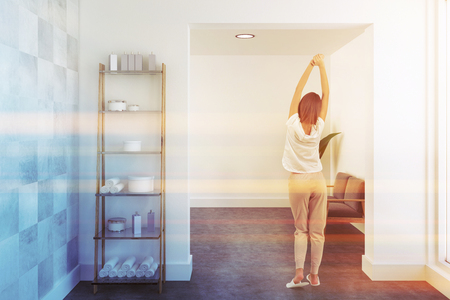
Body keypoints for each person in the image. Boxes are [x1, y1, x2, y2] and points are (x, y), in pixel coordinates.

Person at [283, 54, 329, 288]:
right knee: (317, 231)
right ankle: (315, 275)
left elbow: (297, 90)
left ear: (301, 106)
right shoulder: (319, 127)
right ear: (318, 109)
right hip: (318, 181)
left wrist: (309, 66)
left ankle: (299, 271)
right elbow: (326, 94)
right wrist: (322, 67)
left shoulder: (292, 123)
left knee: (300, 229)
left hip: (298, 181)